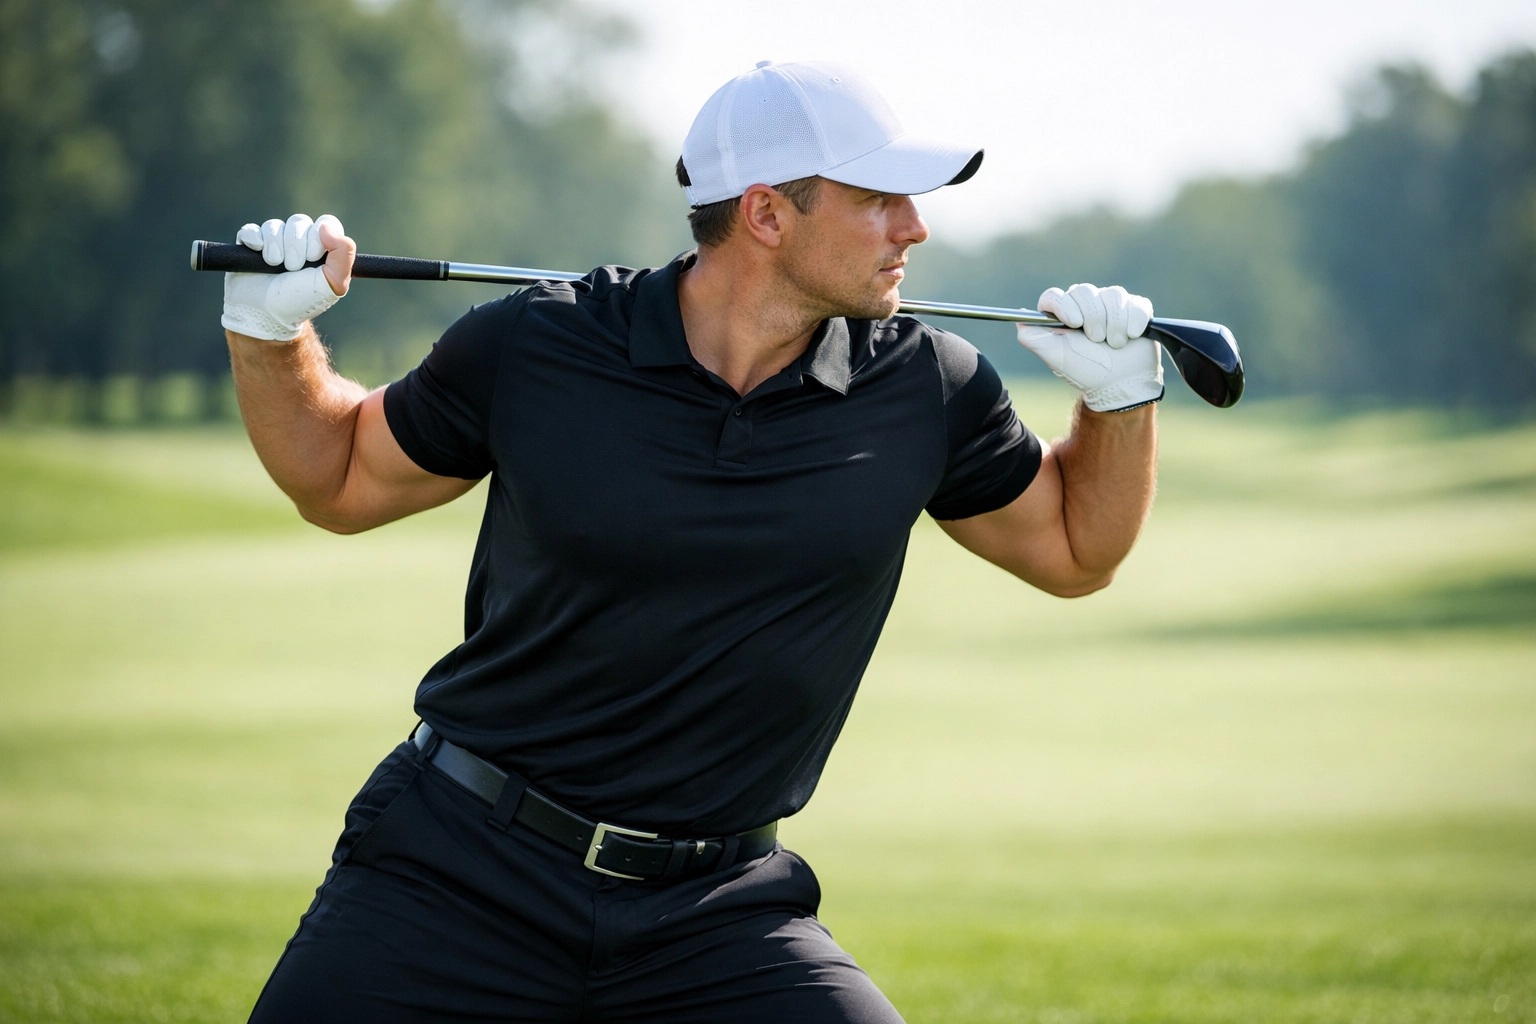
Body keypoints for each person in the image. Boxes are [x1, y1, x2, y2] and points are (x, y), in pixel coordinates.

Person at [225, 61, 1163, 1023]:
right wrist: (268, 333)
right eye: (880, 200)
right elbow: (338, 480)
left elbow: (1074, 552)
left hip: (716, 913)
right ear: (766, 213)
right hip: (462, 868)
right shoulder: (540, 345)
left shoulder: (929, 387)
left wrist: (1119, 405)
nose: (914, 228)